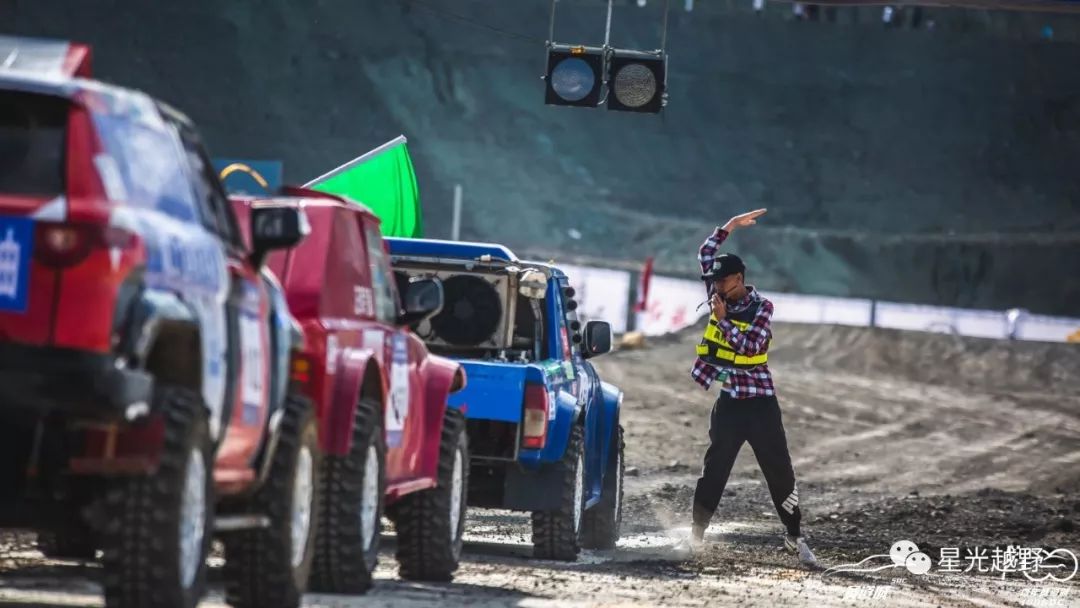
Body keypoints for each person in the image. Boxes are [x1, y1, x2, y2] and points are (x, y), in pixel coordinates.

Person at [688, 208, 817, 567]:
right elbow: (705, 255)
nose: (714, 287)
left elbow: (752, 346)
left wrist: (723, 322)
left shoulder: (761, 307)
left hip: (760, 404)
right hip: (729, 402)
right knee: (714, 469)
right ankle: (696, 535)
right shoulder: (719, 294)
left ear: (739, 279)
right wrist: (729, 226)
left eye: (722, 282)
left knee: (780, 472)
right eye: (713, 282)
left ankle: (795, 536)